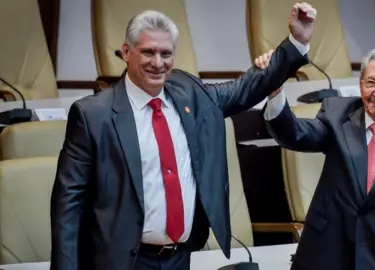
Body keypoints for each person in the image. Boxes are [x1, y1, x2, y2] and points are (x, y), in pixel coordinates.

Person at [50, 3, 317, 270]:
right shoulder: (93, 115)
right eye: (148, 52)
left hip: (180, 258)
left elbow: (246, 89)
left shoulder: (190, 93)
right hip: (121, 261)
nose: (158, 63)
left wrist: (297, 41)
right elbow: (68, 204)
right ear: (126, 52)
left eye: (166, 53)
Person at [255, 47, 375, 269]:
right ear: (360, 84)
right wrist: (274, 89)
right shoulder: (337, 115)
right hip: (327, 256)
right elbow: (294, 134)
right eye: (371, 82)